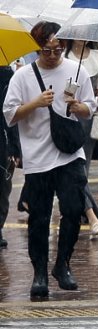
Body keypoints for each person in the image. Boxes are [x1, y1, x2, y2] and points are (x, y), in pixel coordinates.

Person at [3, 21, 96, 299]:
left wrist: (79, 107)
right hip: (37, 158)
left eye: (58, 49)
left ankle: (62, 264)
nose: (53, 55)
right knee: (39, 218)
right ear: (37, 48)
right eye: (46, 50)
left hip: (69, 154)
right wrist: (36, 103)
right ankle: (40, 273)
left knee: (73, 208)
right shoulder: (22, 77)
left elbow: (89, 108)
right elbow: (9, 114)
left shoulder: (76, 70)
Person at [64, 39, 98, 237]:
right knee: (79, 171)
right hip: (71, 122)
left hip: (90, 120)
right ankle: (93, 217)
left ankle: (85, 212)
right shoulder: (65, 59)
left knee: (85, 170)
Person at [0, 66, 20, 249]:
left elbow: (10, 113)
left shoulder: (6, 74)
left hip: (1, 140)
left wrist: (15, 147)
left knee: (2, 187)